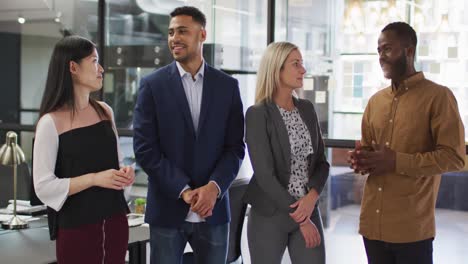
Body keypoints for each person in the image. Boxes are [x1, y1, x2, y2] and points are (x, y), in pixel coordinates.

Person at [133, 6, 245, 264]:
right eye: (171, 32)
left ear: (202, 34)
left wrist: (213, 189)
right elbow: (145, 149)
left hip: (214, 211)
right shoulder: (152, 85)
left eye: (183, 31)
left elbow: (235, 148)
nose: (174, 38)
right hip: (167, 210)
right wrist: (183, 190)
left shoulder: (228, 87)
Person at [348, 22, 465, 264]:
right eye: (378, 50)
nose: (381, 56)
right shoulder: (375, 102)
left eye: (387, 49)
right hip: (372, 226)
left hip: (411, 230)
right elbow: (371, 152)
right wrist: (361, 161)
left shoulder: (438, 97)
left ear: (409, 51)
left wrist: (396, 161)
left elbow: (454, 157)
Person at [33, 36, 135, 264]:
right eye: (94, 61)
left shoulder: (105, 111)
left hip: (115, 223)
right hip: (76, 230)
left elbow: (116, 163)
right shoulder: (50, 123)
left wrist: (124, 174)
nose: (101, 69)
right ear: (73, 67)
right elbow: (43, 186)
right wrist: (94, 179)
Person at [243, 41, 329, 264]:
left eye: (302, 63)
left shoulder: (307, 108)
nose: (303, 69)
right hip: (270, 214)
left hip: (308, 209)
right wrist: (302, 219)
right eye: (296, 64)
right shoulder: (257, 114)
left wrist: (311, 198)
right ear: (276, 69)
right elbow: (265, 176)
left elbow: (322, 163)